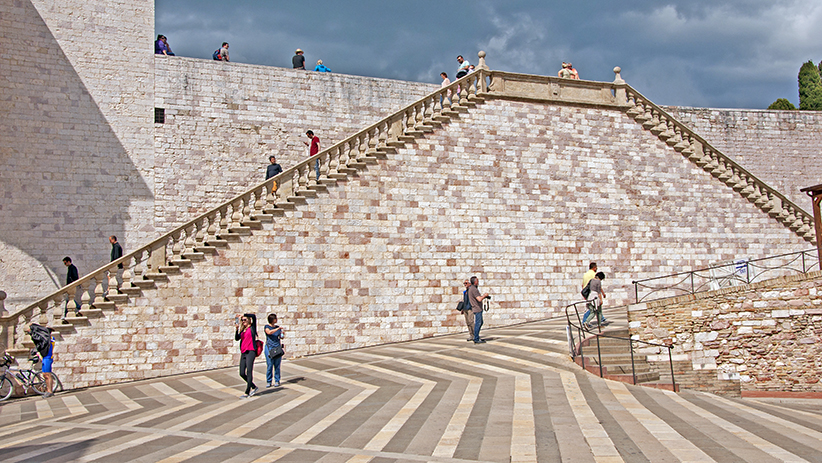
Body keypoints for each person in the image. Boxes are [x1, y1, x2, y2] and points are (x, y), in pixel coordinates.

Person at [25, 323, 55, 397]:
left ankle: (50, 391)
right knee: (45, 375)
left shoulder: (50, 339)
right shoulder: (46, 339)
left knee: (47, 374)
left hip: (48, 358)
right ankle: (48, 390)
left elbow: (41, 340)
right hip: (45, 358)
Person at [235, 313, 259, 398]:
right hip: (244, 352)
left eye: (244, 320)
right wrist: (237, 329)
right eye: (242, 320)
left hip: (251, 351)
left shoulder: (252, 328)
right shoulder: (243, 330)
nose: (243, 321)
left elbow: (254, 317)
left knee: (249, 371)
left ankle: (247, 391)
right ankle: (253, 386)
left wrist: (243, 314)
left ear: (248, 320)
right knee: (242, 372)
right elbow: (237, 338)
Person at [467, 276, 490, 343]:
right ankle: (476, 338)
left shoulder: (471, 289)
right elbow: (479, 299)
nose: (478, 282)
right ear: (475, 282)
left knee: (480, 322)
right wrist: (484, 295)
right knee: (478, 323)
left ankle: (476, 336)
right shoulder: (474, 289)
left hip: (475, 308)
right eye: (477, 281)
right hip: (477, 308)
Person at [264, 314, 285, 387]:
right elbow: (269, 332)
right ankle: (269, 381)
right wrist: (278, 329)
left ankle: (277, 380)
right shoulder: (267, 327)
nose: (276, 320)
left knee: (277, 365)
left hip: (277, 347)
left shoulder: (277, 327)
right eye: (275, 318)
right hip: (269, 348)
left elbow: (280, 337)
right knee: (270, 365)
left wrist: (282, 334)